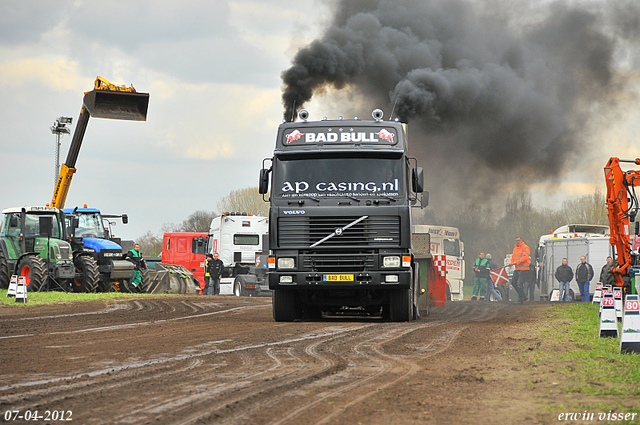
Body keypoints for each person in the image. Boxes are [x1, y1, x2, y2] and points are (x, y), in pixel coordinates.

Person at [508, 236, 530, 304]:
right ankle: (523, 295)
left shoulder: (526, 247)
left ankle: (521, 299)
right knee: (513, 282)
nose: (517, 241)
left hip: (524, 269)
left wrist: (516, 262)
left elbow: (525, 257)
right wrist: (511, 263)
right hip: (517, 268)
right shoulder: (515, 249)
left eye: (518, 240)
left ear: (521, 240)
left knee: (520, 283)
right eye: (516, 240)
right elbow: (513, 257)